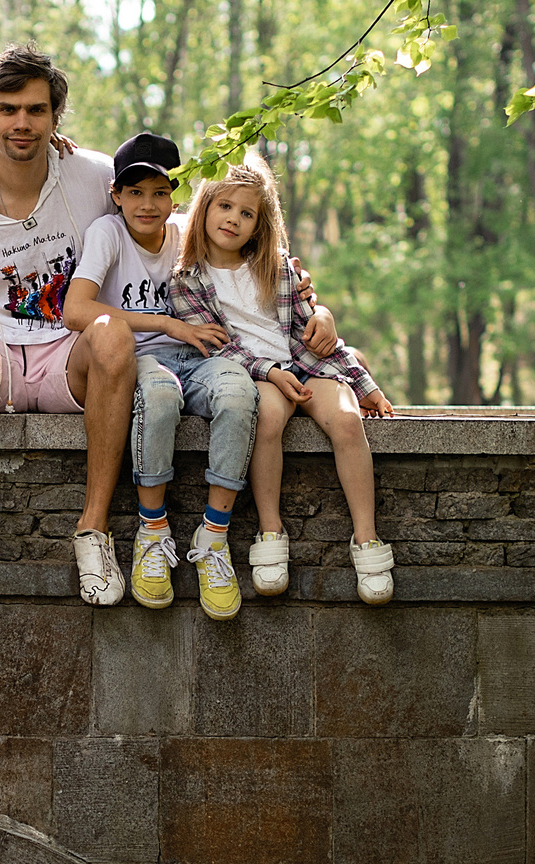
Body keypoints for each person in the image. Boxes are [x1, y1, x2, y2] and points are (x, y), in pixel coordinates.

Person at [0, 45, 135, 619]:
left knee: (111, 332)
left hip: (68, 355)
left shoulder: (95, 176)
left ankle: (93, 531)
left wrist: (292, 287)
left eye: (36, 110)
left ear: (56, 117)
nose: (22, 124)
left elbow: (167, 225)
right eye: (8, 109)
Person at [167, 152, 399, 605]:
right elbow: (219, 346)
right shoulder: (186, 281)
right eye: (224, 206)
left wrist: (363, 384)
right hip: (253, 373)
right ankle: (270, 529)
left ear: (260, 224)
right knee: (268, 418)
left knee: (349, 421)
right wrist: (269, 372)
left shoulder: (278, 268)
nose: (233, 219)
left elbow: (314, 336)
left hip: (303, 364)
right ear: (205, 208)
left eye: (247, 213)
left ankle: (367, 538)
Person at [64, 131, 257, 621]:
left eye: (159, 192)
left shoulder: (188, 232)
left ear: (177, 194)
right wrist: (167, 323)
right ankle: (153, 532)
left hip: (199, 356)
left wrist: (317, 313)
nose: (147, 205)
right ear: (116, 195)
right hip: (139, 359)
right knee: (159, 396)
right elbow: (76, 309)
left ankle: (214, 537)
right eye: (135, 192)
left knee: (238, 393)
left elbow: (262, 270)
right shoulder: (108, 233)